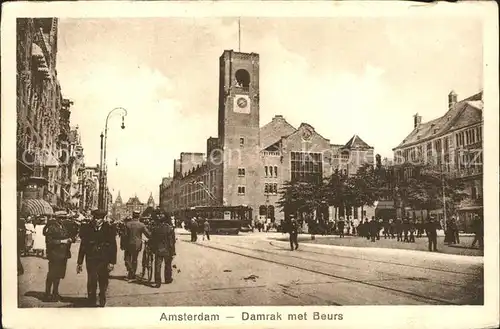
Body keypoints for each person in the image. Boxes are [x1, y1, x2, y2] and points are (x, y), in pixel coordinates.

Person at [77, 210, 117, 307]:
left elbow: (113, 246)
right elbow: (83, 246)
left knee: (103, 279)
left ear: (103, 219)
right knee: (92, 279)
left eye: (99, 218)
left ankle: (102, 295)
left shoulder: (109, 229)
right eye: (95, 218)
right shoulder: (87, 228)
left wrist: (112, 262)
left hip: (104, 259)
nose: (96, 220)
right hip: (91, 258)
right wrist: (80, 262)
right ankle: (92, 299)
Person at [43, 213, 75, 301]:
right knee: (52, 274)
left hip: (63, 254)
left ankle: (55, 293)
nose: (63, 219)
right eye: (61, 218)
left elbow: (69, 235)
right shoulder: (52, 228)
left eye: (64, 218)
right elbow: (49, 241)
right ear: (57, 218)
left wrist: (71, 239)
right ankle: (47, 294)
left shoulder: (63, 227)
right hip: (54, 254)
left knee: (59, 275)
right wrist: (62, 241)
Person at [150, 212, 176, 288]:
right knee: (168, 264)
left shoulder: (155, 228)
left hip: (158, 249)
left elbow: (152, 240)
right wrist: (173, 251)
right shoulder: (170, 228)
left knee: (158, 265)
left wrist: (153, 249)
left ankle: (157, 282)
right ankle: (168, 279)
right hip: (168, 249)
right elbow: (172, 241)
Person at [124, 211, 151, 282]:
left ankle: (131, 272)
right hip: (137, 244)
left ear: (133, 215)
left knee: (127, 259)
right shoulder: (141, 225)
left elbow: (124, 236)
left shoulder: (127, 224)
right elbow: (148, 234)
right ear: (138, 216)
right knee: (135, 259)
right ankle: (132, 274)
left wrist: (122, 244)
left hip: (128, 244)